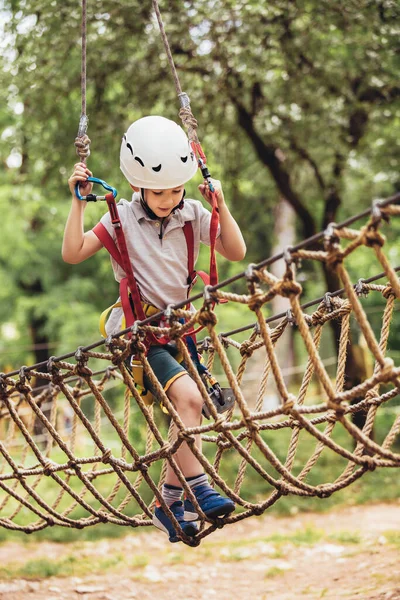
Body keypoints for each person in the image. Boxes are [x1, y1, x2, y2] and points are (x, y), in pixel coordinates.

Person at [62, 115, 246, 543]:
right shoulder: (120, 219)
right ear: (138, 185)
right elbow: (72, 253)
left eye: (176, 189)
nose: (168, 199)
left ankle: (169, 502)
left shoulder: (191, 214)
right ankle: (199, 489)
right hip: (138, 336)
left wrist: (220, 205)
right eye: (159, 191)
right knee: (189, 398)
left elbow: (234, 251)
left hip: (181, 332)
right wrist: (77, 202)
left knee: (192, 412)